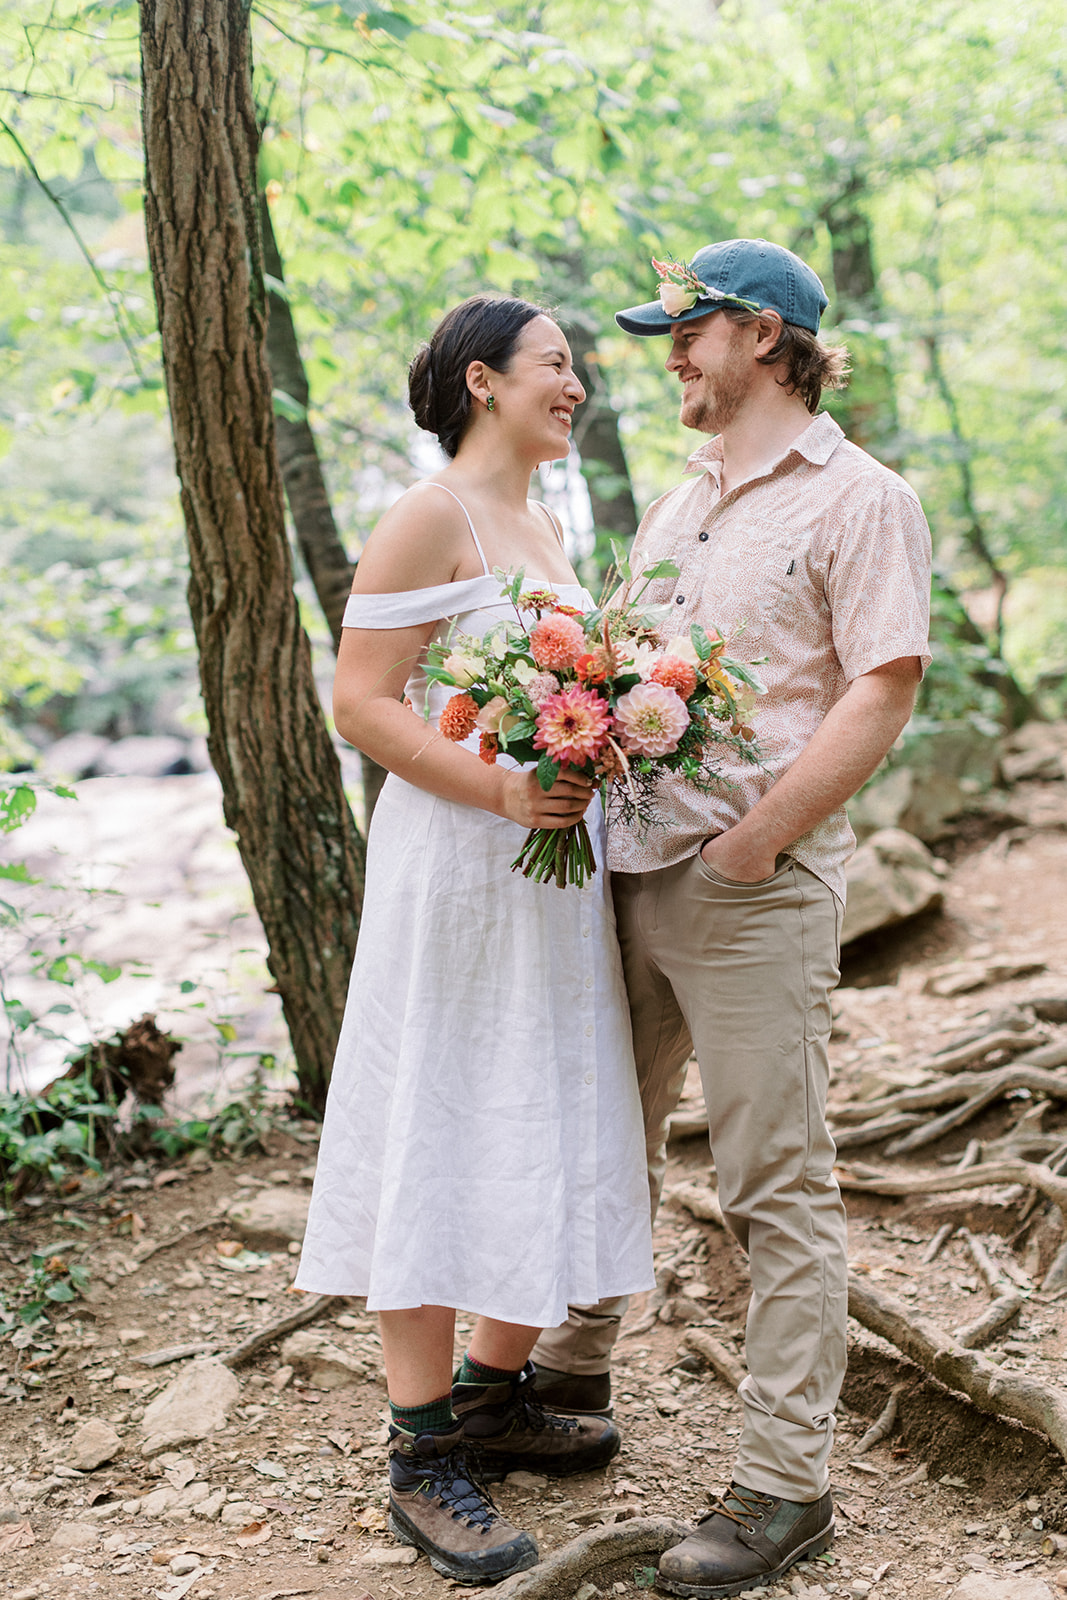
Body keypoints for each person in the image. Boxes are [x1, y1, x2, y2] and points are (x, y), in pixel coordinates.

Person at [530, 239, 933, 1598]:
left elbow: (881, 686)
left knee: (776, 1186)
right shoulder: (683, 499)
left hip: (750, 887)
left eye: (687, 331)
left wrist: (759, 842)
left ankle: (784, 1487)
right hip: (624, 865)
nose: (668, 356)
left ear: (763, 336)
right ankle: (567, 1380)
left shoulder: (859, 498)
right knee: (602, 1142)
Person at [294, 294, 655, 1587]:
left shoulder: (544, 523)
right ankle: (419, 1455)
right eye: (559, 366)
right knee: (443, 1114)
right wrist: (502, 790)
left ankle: (496, 1394)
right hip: (456, 872)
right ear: (482, 380)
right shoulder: (427, 514)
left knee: (534, 1109)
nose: (578, 386)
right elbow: (360, 702)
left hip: (548, 884)